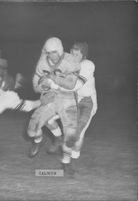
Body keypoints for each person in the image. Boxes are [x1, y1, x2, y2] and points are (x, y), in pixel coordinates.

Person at [48, 42, 97, 173]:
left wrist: (54, 83)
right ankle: (59, 142)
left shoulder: (87, 65)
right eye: (73, 53)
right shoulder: (67, 63)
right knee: (48, 118)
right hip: (71, 100)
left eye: (77, 54)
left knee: (76, 135)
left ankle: (70, 160)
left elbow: (75, 86)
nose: (74, 56)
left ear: (83, 55)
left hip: (86, 102)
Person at [28, 37, 80, 158]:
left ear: (60, 50)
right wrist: (43, 87)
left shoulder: (70, 61)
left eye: (55, 52)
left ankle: (66, 161)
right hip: (50, 95)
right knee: (32, 130)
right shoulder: (43, 62)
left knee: (71, 135)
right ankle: (40, 140)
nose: (52, 55)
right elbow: (36, 86)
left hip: (67, 97)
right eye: (50, 52)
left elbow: (71, 84)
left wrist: (53, 79)